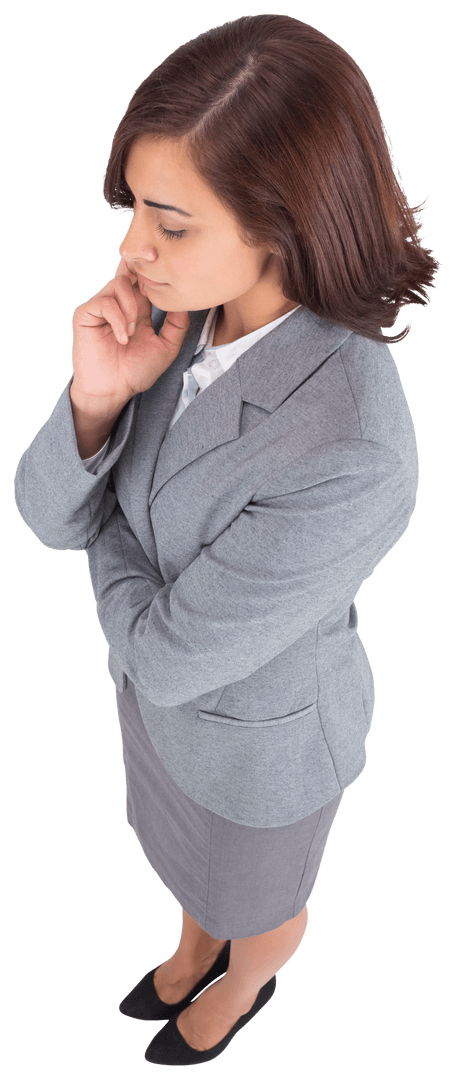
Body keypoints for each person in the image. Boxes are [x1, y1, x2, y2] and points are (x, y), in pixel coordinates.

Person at [12, 13, 440, 1068]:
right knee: (183, 866)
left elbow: (158, 647)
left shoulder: (355, 440)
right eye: (133, 212)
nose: (129, 250)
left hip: (263, 750)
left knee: (260, 902)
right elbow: (43, 514)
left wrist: (105, 544)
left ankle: (244, 983)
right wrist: (96, 400)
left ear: (281, 223)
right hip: (163, 726)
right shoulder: (182, 321)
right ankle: (193, 940)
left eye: (168, 221)